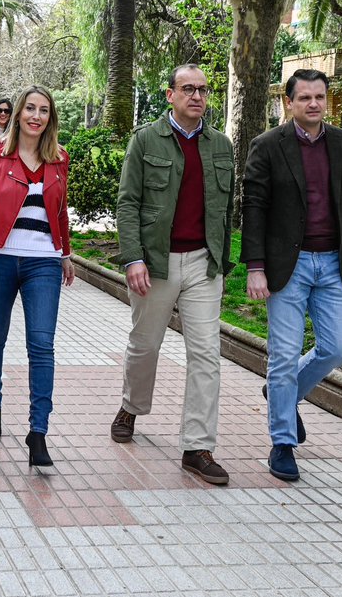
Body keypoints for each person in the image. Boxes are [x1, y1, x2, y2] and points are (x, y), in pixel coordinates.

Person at [241, 68, 342, 483]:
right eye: (305, 98)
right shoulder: (267, 146)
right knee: (282, 355)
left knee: (339, 347)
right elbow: (254, 208)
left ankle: (285, 390)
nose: (314, 104)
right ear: (289, 103)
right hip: (287, 267)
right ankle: (282, 442)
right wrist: (256, 267)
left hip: (334, 263)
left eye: (320, 97)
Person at [111, 64, 235, 485]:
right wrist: (133, 258)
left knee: (206, 355)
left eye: (202, 89)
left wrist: (224, 261)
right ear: (170, 95)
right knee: (144, 346)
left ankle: (197, 447)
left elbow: (226, 210)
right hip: (157, 262)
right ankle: (131, 406)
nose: (196, 96)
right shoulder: (145, 140)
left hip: (204, 263)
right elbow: (127, 202)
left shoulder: (221, 145)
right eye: (188, 89)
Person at [0, 86, 74, 469]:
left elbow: (59, 209)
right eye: (30, 108)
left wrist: (65, 254)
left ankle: (38, 432)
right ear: (17, 113)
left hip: (43, 261)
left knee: (42, 345)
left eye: (44, 110)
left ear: (51, 118)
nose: (36, 116)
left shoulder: (59, 157)